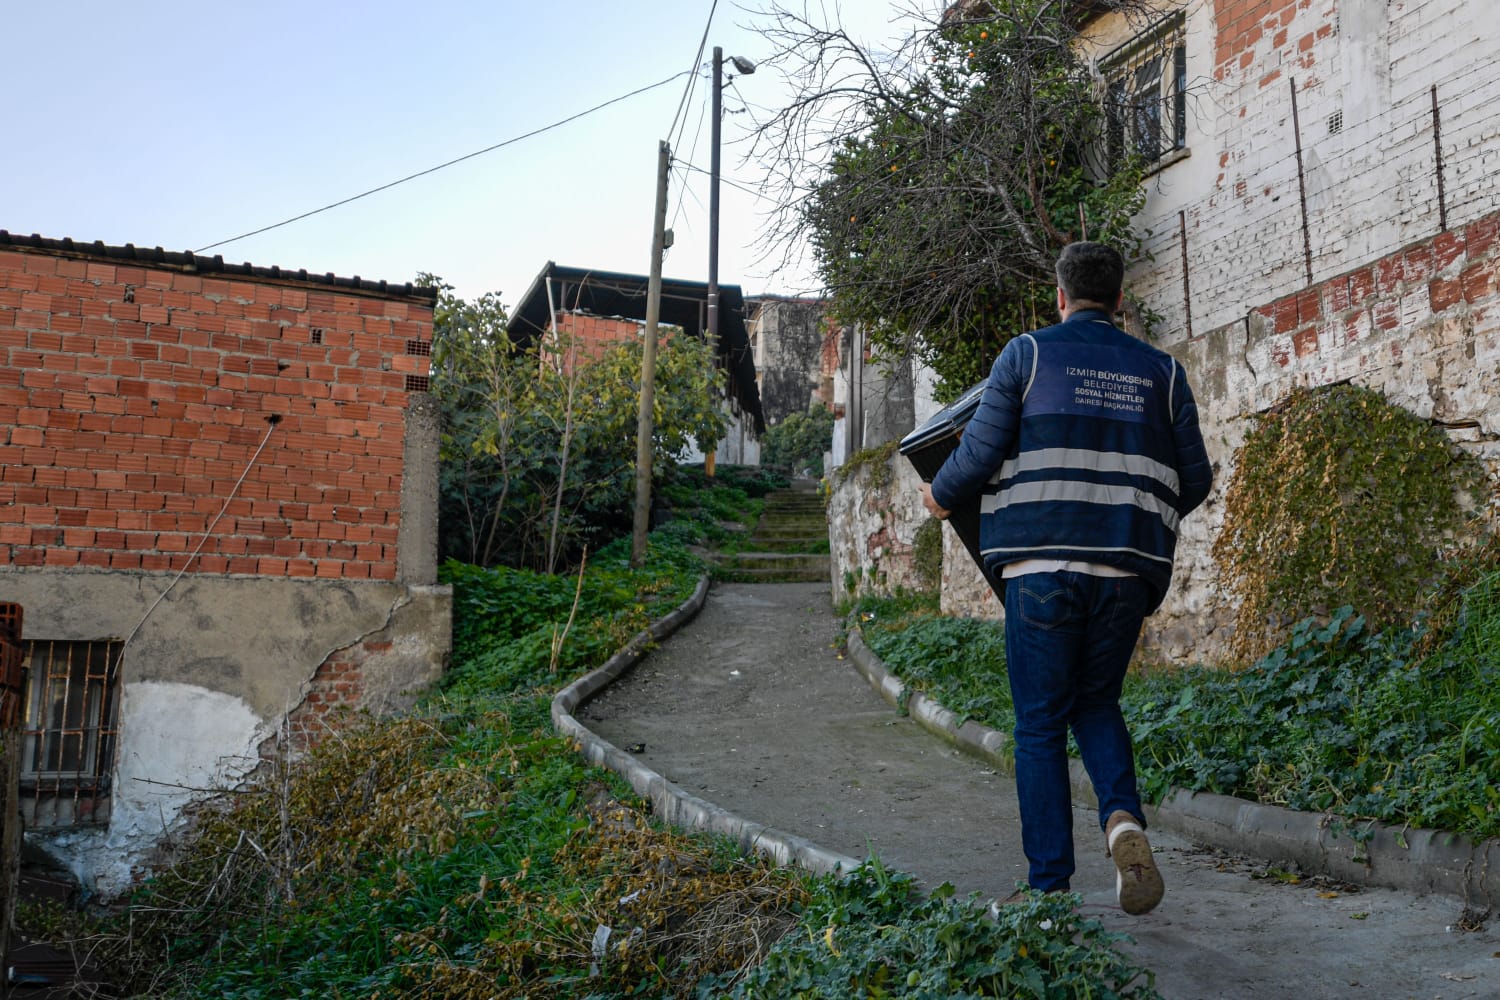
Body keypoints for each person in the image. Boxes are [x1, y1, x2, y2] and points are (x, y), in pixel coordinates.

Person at [919, 241, 1212, 915]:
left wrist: (940, 495)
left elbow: (979, 451)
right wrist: (1136, 515)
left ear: (1060, 296)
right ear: (1119, 300)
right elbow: (1194, 478)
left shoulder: (1026, 355)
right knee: (1097, 703)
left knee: (1041, 726)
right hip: (1127, 574)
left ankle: (1050, 890)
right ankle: (1123, 819)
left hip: (1040, 568)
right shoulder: (1164, 373)